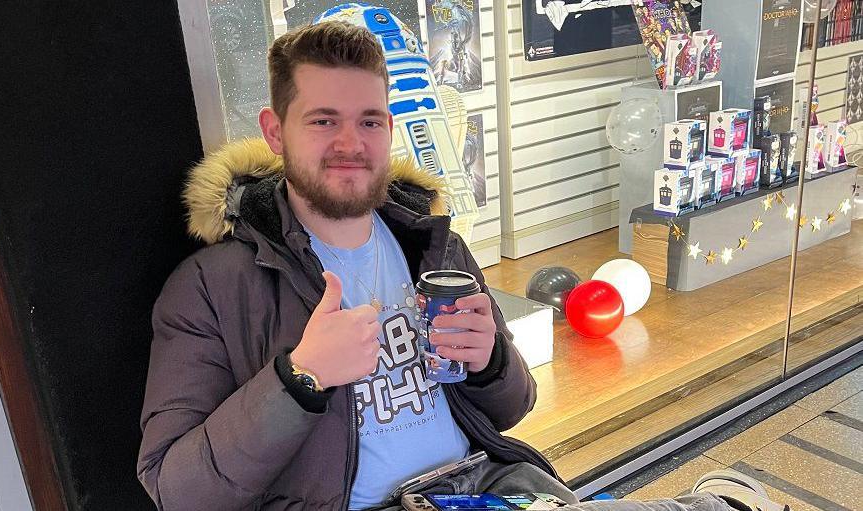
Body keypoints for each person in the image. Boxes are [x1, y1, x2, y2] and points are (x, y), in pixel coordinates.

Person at [136, 21, 788, 511]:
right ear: (275, 131)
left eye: (368, 120)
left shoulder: (429, 244)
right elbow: (173, 484)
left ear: (389, 129)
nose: (349, 143)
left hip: (482, 487)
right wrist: (300, 379)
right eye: (322, 120)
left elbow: (512, 407)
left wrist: (491, 361)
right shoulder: (211, 287)